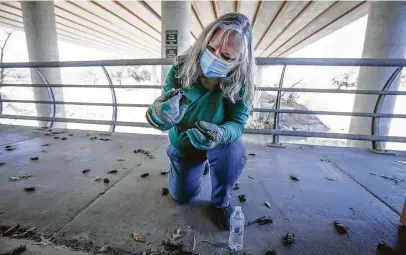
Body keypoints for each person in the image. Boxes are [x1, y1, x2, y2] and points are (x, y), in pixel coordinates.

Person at [145, 13, 255, 229]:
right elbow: (163, 118)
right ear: (204, 41)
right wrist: (160, 114)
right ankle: (194, 165)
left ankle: (221, 202)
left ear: (239, 61)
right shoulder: (179, 70)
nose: (215, 57)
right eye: (211, 48)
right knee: (182, 196)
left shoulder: (240, 83)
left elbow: (237, 122)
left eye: (226, 56)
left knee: (233, 151)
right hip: (184, 144)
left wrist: (221, 134)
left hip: (219, 144)